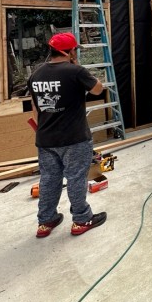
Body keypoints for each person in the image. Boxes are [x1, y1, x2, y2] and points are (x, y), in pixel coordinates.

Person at [28, 32, 107, 238]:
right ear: (70, 51)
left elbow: (36, 110)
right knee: (76, 178)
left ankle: (46, 222)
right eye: (75, 50)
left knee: (49, 180)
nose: (76, 54)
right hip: (74, 137)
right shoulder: (76, 71)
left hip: (46, 138)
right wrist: (89, 76)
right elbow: (98, 90)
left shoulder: (36, 75)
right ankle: (81, 219)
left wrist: (46, 127)